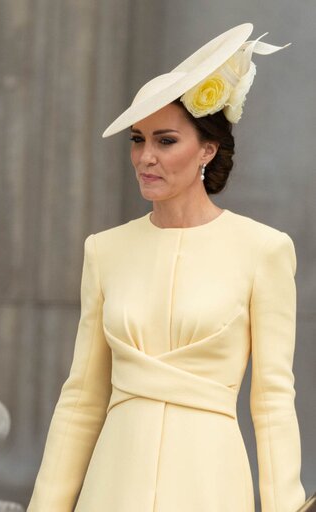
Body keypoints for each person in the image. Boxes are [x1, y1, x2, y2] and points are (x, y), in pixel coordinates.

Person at [28, 23, 305, 512]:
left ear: (207, 149)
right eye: (138, 140)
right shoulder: (105, 250)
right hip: (112, 483)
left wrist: (287, 505)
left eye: (166, 140)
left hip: (210, 482)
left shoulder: (264, 249)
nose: (145, 158)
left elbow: (272, 402)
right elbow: (82, 400)